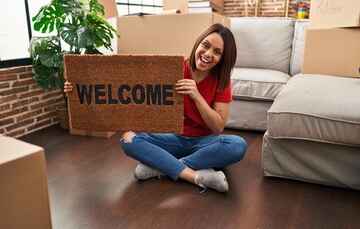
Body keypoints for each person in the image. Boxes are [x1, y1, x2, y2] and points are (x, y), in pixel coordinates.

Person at [64, 23, 247, 193]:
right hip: (172, 139)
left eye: (217, 52)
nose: (208, 54)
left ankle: (160, 166)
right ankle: (194, 176)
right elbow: (119, 84)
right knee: (128, 139)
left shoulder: (222, 81)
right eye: (205, 45)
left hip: (204, 143)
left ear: (222, 59)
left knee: (237, 146)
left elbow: (218, 127)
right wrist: (78, 88)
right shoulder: (173, 68)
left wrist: (196, 95)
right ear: (198, 43)